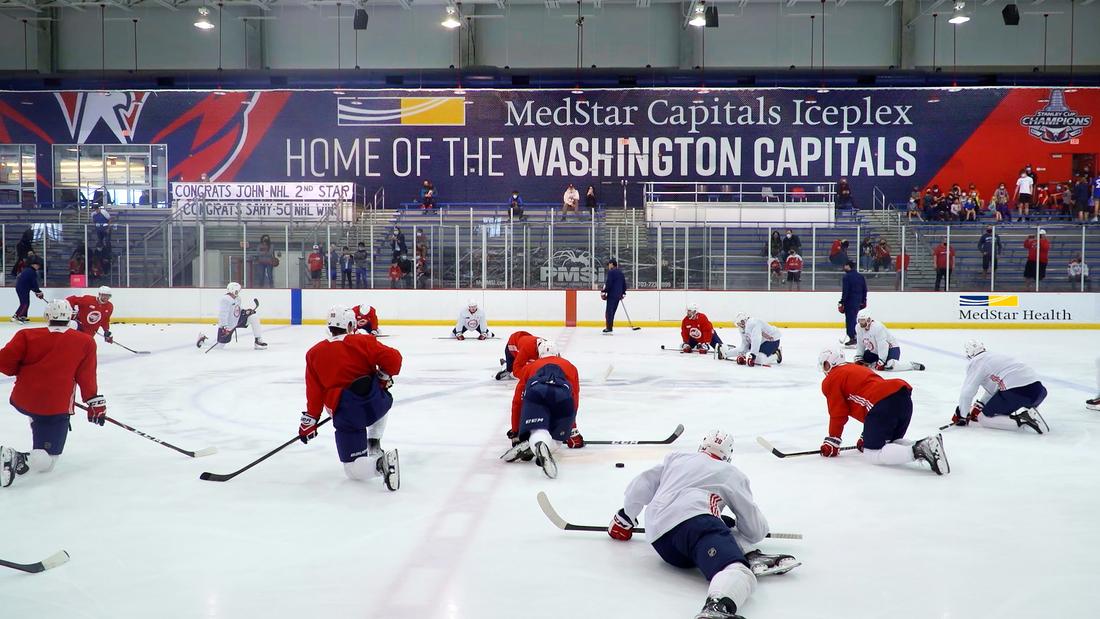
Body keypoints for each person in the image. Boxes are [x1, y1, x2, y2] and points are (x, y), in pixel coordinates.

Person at [607, 430, 800, 619]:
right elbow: (754, 530)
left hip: (661, 542)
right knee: (740, 572)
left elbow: (642, 485)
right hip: (696, 524)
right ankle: (718, 606)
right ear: (728, 455)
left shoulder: (677, 458)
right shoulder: (731, 473)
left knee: (722, 523)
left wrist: (625, 518)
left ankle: (747, 553)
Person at [1, 299, 105, 489]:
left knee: (38, 417)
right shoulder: (85, 341)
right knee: (49, 461)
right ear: (71, 317)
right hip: (54, 406)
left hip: (23, 399)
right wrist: (94, 401)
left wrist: (28, 372)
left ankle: (28, 450)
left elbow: (5, 364)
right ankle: (18, 457)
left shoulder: (25, 334)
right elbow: (86, 376)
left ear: (47, 316)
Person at [300, 305, 402, 489]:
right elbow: (394, 359)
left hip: (347, 413)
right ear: (350, 325)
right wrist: (383, 377)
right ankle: (374, 440)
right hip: (375, 404)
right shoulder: (364, 341)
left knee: (352, 469)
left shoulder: (314, 353)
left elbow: (314, 393)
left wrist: (310, 422)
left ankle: (381, 465)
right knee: (383, 391)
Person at [817, 348, 949, 475]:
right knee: (889, 443)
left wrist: (833, 440)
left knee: (872, 453)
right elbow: (868, 396)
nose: (824, 369)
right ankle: (929, 444)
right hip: (902, 398)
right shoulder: (856, 368)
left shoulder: (832, 379)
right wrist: (867, 435)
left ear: (832, 363)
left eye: (825, 364)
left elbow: (838, 413)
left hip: (883, 405)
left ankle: (920, 449)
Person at [501, 340, 582, 478]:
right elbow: (574, 399)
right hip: (562, 395)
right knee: (556, 441)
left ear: (539, 355)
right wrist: (571, 432)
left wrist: (516, 432)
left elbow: (517, 401)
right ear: (558, 354)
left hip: (537, 391)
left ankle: (536, 442)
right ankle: (542, 445)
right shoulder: (570, 366)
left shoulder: (530, 367)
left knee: (538, 430)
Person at [951, 340, 1049, 434]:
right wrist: (982, 404)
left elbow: (968, 392)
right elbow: (997, 386)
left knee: (984, 418)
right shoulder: (995, 356)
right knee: (1002, 401)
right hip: (1039, 391)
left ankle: (1023, 419)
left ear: (969, 355)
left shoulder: (977, 362)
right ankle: (1030, 413)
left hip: (1018, 393)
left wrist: (962, 415)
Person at [196, 282, 266, 350]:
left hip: (237, 320)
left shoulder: (237, 298)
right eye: (238, 290)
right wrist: (224, 327)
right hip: (228, 325)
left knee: (253, 317)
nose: (238, 292)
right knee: (219, 346)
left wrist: (246, 312)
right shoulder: (225, 299)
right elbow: (223, 314)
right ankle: (203, 340)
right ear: (234, 290)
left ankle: (258, 340)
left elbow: (238, 309)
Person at [854, 309, 924, 372]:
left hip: (891, 348)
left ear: (868, 320)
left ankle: (912, 365)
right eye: (859, 320)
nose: (861, 322)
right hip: (876, 351)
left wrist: (882, 360)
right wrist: (859, 355)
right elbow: (860, 342)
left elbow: (883, 345)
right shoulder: (858, 327)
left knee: (890, 365)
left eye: (863, 320)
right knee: (863, 359)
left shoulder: (877, 327)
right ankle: (876, 362)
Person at [838, 261, 866, 347]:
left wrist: (842, 301)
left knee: (850, 319)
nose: (844, 267)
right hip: (858, 301)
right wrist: (864, 300)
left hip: (849, 301)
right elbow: (864, 289)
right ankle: (857, 337)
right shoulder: (860, 276)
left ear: (848, 266)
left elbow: (845, 291)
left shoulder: (846, 277)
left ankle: (853, 337)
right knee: (854, 319)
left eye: (845, 265)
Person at [601, 258, 626, 334]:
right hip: (618, 295)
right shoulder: (621, 272)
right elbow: (624, 284)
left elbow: (609, 283)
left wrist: (604, 291)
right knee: (613, 311)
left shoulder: (611, 272)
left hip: (612, 295)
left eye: (608, 264)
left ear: (612, 264)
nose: (608, 266)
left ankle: (609, 328)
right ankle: (609, 327)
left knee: (609, 311)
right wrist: (623, 293)